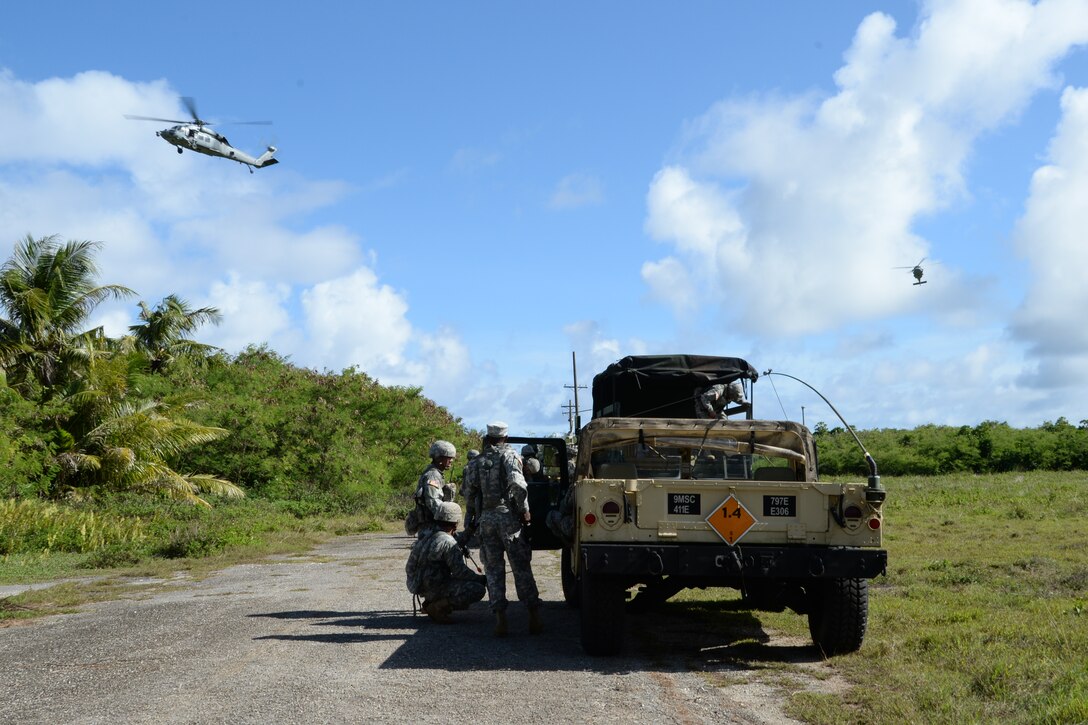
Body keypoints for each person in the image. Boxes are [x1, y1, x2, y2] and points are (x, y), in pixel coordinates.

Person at [463, 421, 542, 636]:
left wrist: (469, 519)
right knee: (520, 567)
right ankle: (534, 616)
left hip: (486, 519)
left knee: (493, 569)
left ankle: (500, 619)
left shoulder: (477, 462)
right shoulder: (510, 456)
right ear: (505, 438)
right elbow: (518, 483)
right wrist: (524, 510)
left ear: (488, 437)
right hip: (508, 518)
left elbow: (469, 493)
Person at [405, 502, 486, 622]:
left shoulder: (426, 536)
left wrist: (469, 531)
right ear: (456, 522)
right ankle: (437, 606)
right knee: (477, 589)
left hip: (417, 585)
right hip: (434, 587)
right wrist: (482, 579)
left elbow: (409, 567)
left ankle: (430, 601)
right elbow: (460, 572)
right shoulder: (448, 541)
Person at [413, 440, 457, 539]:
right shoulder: (433, 476)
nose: (451, 461)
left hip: (434, 526)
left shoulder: (436, 474)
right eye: (448, 458)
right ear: (439, 458)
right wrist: (447, 521)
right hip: (432, 527)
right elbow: (433, 502)